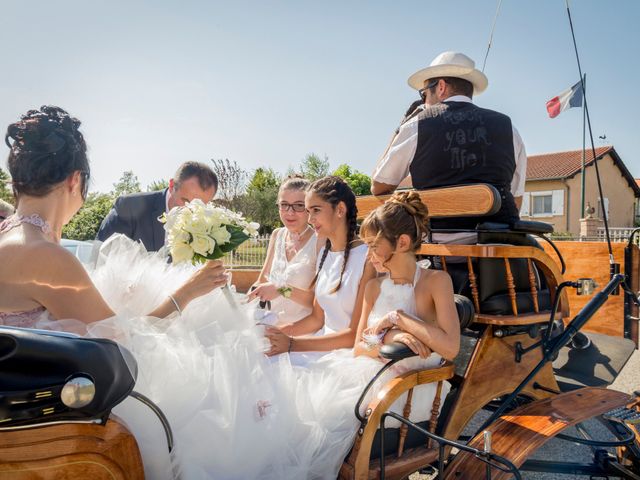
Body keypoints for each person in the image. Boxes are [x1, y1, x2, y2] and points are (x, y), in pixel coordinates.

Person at [371, 51, 527, 243]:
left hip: (439, 250)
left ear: (441, 87)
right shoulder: (509, 127)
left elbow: (378, 186)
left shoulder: (417, 125)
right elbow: (516, 199)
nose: (424, 101)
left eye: (424, 94)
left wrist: (399, 129)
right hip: (501, 248)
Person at [353, 190, 460, 425]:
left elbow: (450, 348)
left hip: (410, 390)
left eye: (373, 246)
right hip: (368, 376)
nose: (368, 255)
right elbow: (358, 348)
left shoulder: (436, 281)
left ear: (402, 242)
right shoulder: (373, 287)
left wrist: (398, 318)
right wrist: (392, 336)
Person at [265, 176, 377, 357]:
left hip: (346, 354)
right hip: (320, 344)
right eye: (308, 211)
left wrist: (292, 344)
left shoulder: (368, 259)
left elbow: (354, 335)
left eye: (315, 210)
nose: (310, 219)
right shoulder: (325, 255)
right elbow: (316, 320)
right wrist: (275, 333)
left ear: (340, 209)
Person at [97, 161, 218, 251]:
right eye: (185, 201)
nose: (190, 211)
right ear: (171, 185)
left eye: (199, 207)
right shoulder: (129, 207)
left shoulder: (205, 226)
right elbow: (100, 257)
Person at [247, 176, 317, 326]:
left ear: (309, 208)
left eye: (299, 205)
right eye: (284, 204)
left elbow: (319, 304)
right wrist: (244, 301)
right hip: (267, 323)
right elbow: (263, 280)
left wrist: (282, 289)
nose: (289, 212)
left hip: (299, 331)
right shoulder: (277, 235)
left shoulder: (320, 241)